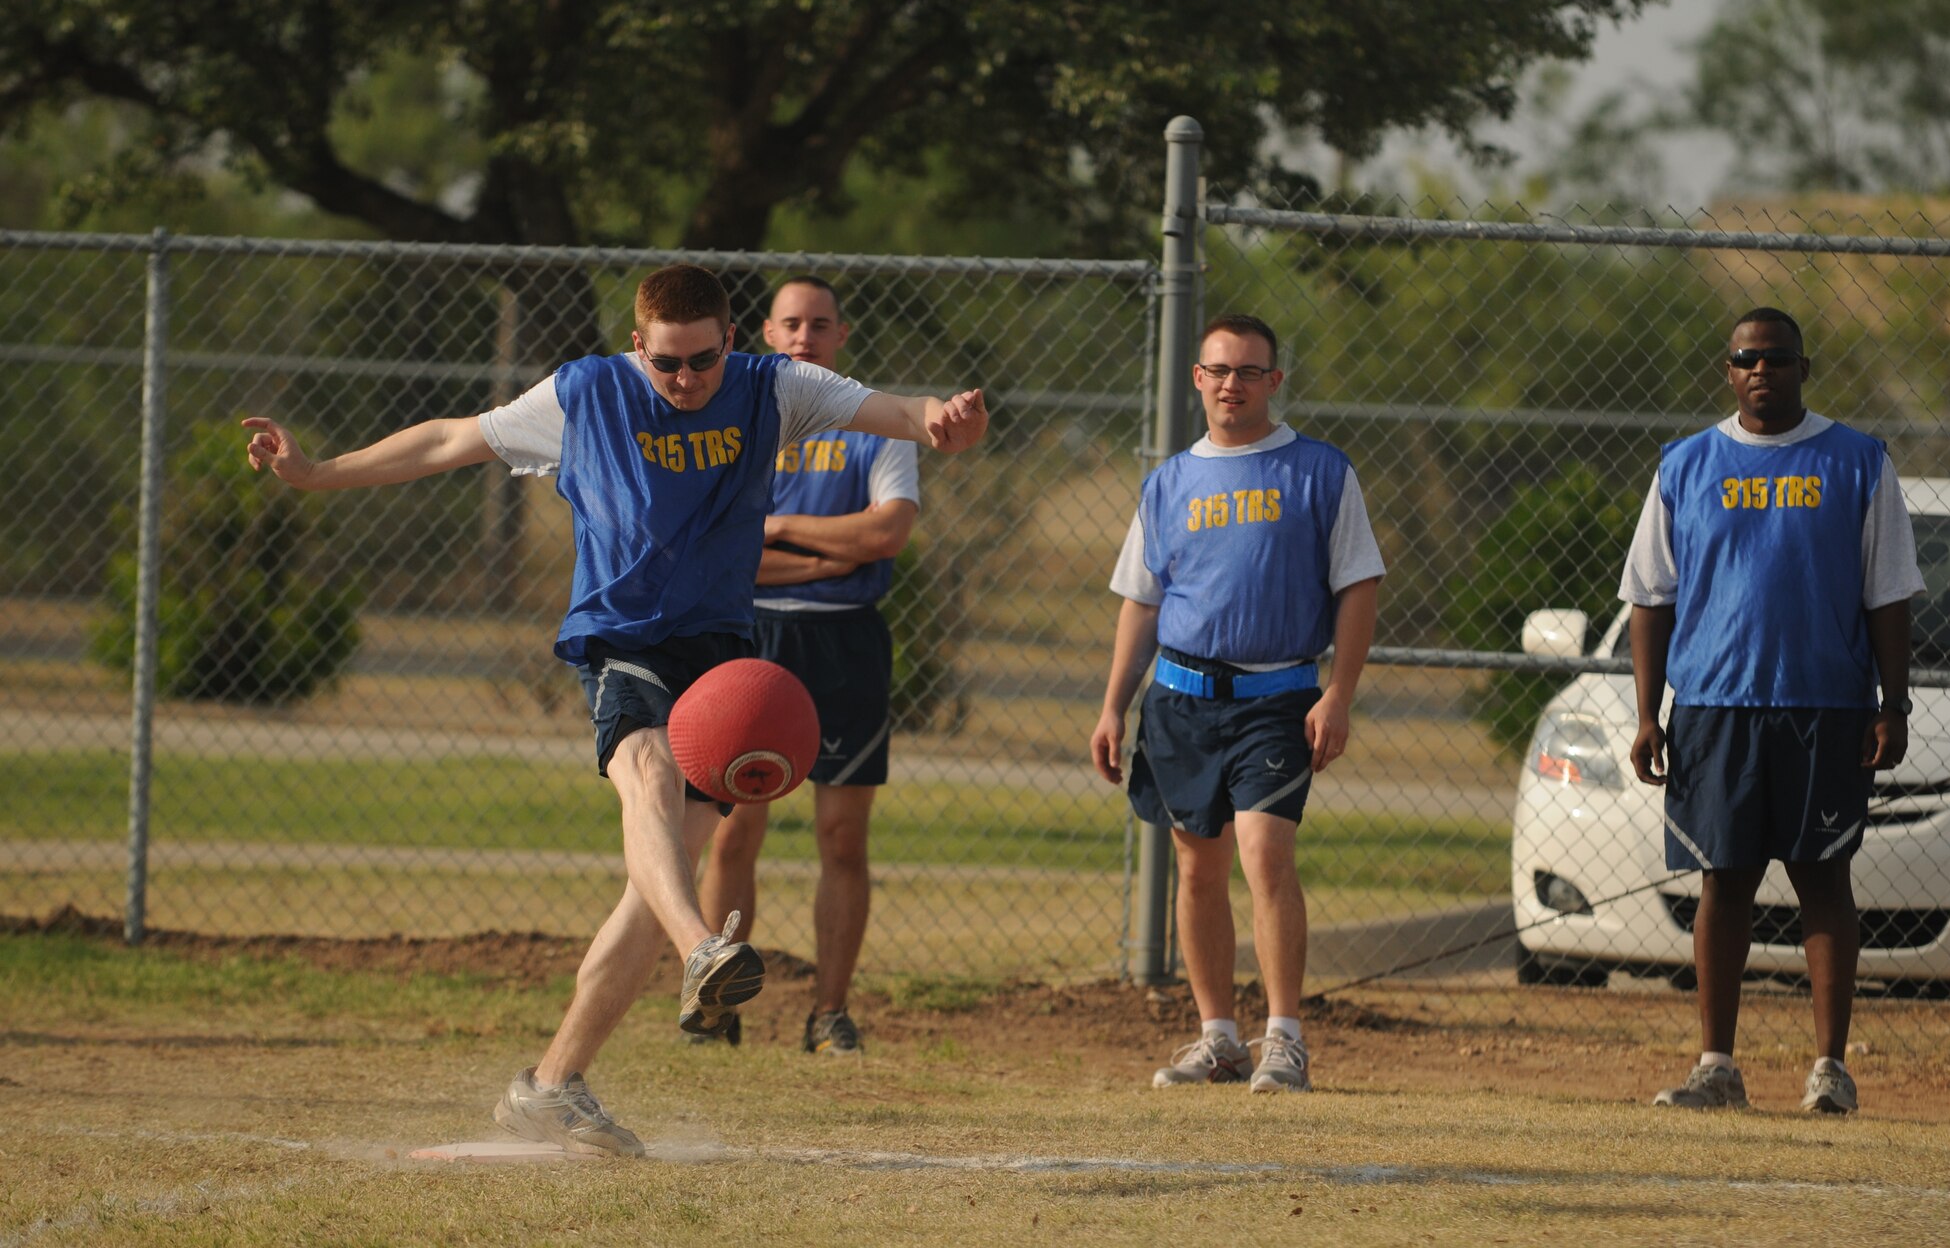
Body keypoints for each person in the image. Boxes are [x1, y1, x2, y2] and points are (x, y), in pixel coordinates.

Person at [242, 265, 986, 1155]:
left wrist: (942, 420)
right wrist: (317, 472)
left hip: (716, 651)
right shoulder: (585, 391)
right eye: (668, 365)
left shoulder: (773, 385)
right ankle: (700, 949)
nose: (685, 381)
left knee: (659, 869)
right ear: (640, 345)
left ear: (730, 339)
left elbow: (897, 413)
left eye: (702, 362)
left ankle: (551, 1085)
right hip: (621, 632)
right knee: (649, 777)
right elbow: (449, 441)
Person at [1623, 306, 1922, 1116]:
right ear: (1728, 370)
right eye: (1747, 359)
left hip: (1823, 704)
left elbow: (1887, 594)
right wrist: (1649, 713)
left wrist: (1892, 703)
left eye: (1778, 359)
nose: (1762, 371)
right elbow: (1650, 596)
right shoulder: (1685, 465)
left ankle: (1831, 1070)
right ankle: (1716, 1066)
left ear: (1802, 367)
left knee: (1824, 877)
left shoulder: (1858, 462)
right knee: (1726, 879)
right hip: (1717, 704)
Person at [1090, 313, 1384, 1095]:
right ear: (1197, 378)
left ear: (1274, 382)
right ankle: (1218, 1037)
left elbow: (1359, 584)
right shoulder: (1168, 482)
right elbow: (1142, 603)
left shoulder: (1318, 471)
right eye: (1218, 370)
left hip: (1277, 696)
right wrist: (1115, 704)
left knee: (1265, 853)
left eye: (1249, 372)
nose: (1232, 385)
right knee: (1197, 867)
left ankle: (1283, 1038)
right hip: (1182, 700)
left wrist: (1338, 694)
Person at [698, 275, 918, 1054]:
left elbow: (887, 535)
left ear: (841, 336)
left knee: (840, 836)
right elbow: (723, 551)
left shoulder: (878, 423)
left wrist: (783, 527)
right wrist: (828, 553)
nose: (804, 338)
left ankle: (829, 1013)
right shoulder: (735, 416)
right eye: (790, 324)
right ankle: (718, 1004)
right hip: (748, 640)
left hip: (845, 643)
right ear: (761, 332)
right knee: (731, 834)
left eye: (819, 325)